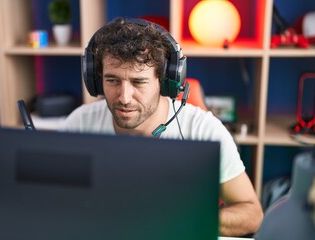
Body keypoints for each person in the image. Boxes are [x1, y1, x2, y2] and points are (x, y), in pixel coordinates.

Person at [60, 17, 263, 237]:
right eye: (112, 81)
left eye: (138, 82)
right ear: (96, 80)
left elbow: (252, 214)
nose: (124, 97)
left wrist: (186, 219)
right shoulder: (79, 124)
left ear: (165, 82)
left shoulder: (203, 130)